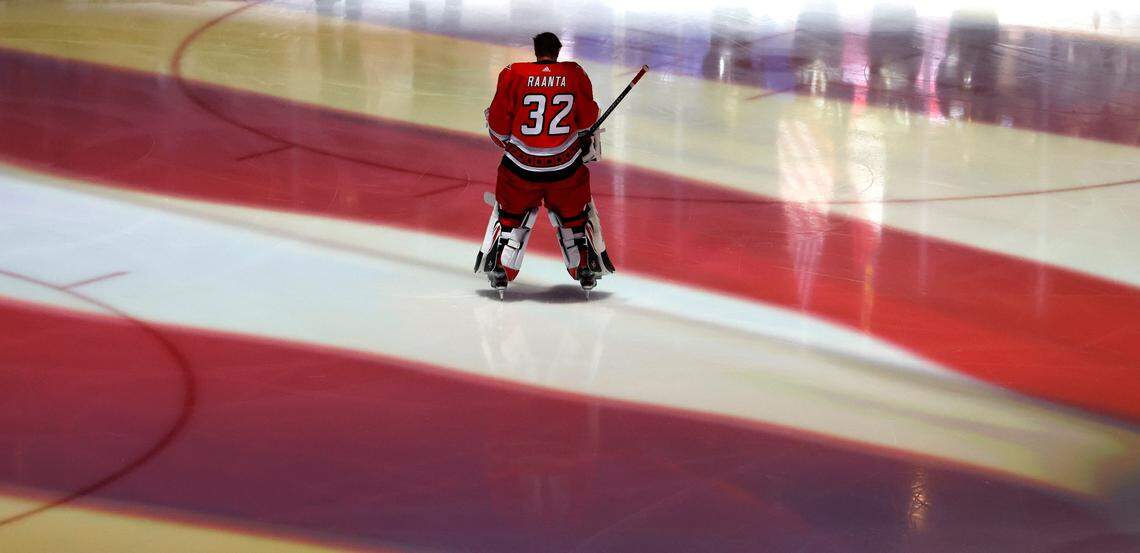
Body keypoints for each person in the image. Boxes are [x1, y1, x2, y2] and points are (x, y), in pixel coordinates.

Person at [475, 32, 615, 298]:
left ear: (536, 51)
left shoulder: (513, 73)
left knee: (511, 216)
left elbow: (498, 126)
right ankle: (584, 264)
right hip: (565, 171)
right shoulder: (575, 74)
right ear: (558, 52)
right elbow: (587, 121)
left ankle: (502, 263)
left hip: (520, 169)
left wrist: (511, 145)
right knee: (575, 215)